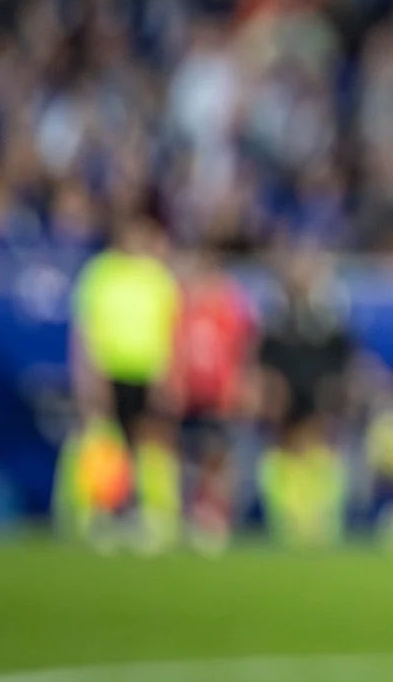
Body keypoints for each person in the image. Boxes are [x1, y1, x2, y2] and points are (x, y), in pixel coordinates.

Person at [59, 212, 183, 550]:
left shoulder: (157, 277)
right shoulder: (100, 273)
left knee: (147, 441)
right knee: (104, 440)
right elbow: (85, 328)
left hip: (146, 371)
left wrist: (168, 375)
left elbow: (169, 331)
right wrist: (87, 372)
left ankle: (151, 515)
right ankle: (100, 511)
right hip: (108, 369)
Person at [257, 247, 358, 549]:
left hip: (316, 394)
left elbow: (342, 359)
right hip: (287, 396)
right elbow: (267, 360)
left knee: (318, 451)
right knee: (286, 452)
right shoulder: (279, 321)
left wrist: (336, 393)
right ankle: (289, 518)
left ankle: (321, 519)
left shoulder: (326, 319)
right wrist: (270, 392)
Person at [170, 248, 261, 550]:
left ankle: (216, 516)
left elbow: (243, 348)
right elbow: (176, 348)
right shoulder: (183, 305)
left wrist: (241, 383)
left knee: (217, 455)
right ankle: (190, 514)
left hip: (219, 393)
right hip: (190, 392)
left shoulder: (230, 306)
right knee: (187, 455)